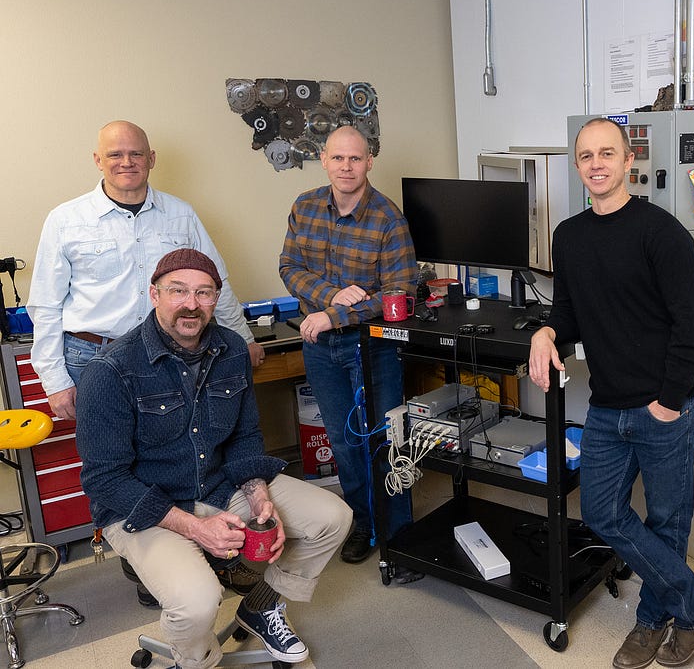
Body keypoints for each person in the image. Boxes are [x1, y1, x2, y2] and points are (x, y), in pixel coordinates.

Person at [76, 249, 351, 668]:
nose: (191, 304)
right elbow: (104, 480)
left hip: (219, 486)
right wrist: (193, 527)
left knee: (333, 516)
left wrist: (259, 498)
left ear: (215, 299)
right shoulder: (111, 370)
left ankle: (261, 605)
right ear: (154, 294)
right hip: (143, 506)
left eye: (204, 293)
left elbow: (244, 435)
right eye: (178, 291)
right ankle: (197, 660)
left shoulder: (232, 349)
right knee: (197, 603)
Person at [528, 117, 694, 669]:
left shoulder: (662, 233)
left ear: (628, 161)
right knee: (600, 512)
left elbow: (692, 327)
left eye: (607, 154)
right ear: (577, 164)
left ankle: (650, 622)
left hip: (667, 408)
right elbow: (568, 313)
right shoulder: (568, 236)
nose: (597, 164)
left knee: (666, 522)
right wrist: (546, 331)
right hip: (606, 408)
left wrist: (667, 402)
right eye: (587, 155)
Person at [27, 120, 265, 422]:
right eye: (115, 155)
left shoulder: (181, 214)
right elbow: (45, 304)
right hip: (92, 356)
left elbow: (216, 282)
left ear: (151, 159)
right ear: (98, 160)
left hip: (169, 352)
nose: (126, 162)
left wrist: (243, 339)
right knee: (107, 453)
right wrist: (54, 381)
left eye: (136, 154)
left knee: (175, 446)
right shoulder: (65, 220)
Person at [279, 125, 421, 581]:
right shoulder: (304, 207)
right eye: (338, 158)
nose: (346, 167)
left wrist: (337, 314)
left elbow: (401, 294)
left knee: (385, 438)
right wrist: (335, 296)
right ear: (324, 159)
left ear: (370, 161)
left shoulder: (387, 219)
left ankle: (399, 536)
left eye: (355, 159)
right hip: (320, 347)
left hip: (373, 347)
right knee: (343, 440)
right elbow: (289, 267)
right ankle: (362, 522)